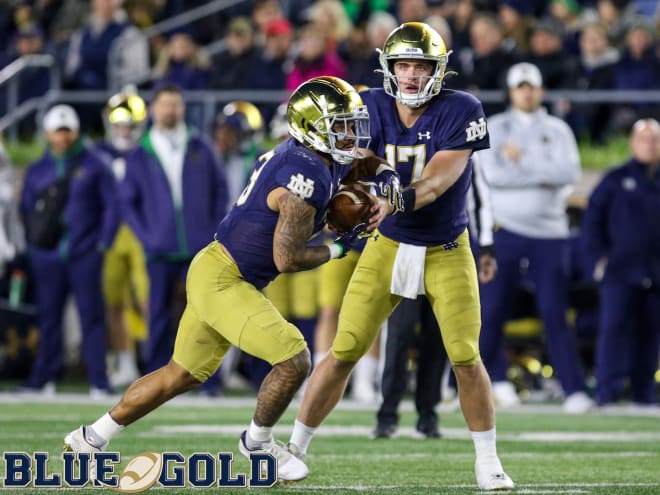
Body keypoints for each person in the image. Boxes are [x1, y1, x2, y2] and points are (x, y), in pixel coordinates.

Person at [63, 76, 396, 483]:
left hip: (216, 268)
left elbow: (363, 158)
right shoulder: (302, 178)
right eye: (340, 125)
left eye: (349, 124)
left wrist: (388, 178)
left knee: (178, 375)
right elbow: (286, 259)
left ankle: (90, 438)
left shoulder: (312, 155)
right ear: (311, 126)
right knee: (294, 357)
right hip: (226, 279)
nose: (349, 134)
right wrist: (342, 248)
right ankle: (258, 445)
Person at [287, 23, 514, 490]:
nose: (410, 75)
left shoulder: (461, 108)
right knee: (345, 348)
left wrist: (393, 198)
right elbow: (351, 154)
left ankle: (488, 461)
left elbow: (435, 181)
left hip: (446, 249)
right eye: (403, 65)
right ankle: (294, 448)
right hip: (386, 244)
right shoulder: (368, 104)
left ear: (438, 69)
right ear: (389, 67)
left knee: (465, 356)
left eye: (420, 66)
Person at [477, 62, 593, 413]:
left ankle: (573, 388)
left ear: (540, 89)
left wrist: (521, 160)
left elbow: (567, 173)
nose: (526, 92)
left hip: (549, 233)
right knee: (491, 310)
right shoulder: (494, 127)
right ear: (511, 92)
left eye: (531, 86)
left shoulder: (558, 129)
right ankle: (488, 382)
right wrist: (540, 173)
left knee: (554, 311)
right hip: (505, 229)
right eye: (519, 87)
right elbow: (492, 175)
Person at [119, 83, 229, 376]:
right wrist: (148, 235)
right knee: (157, 311)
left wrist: (213, 228)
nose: (171, 110)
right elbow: (128, 203)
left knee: (206, 311)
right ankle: (156, 377)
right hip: (159, 245)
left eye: (176, 104)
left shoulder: (200, 145)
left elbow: (221, 190)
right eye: (166, 104)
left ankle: (209, 377)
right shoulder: (140, 152)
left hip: (199, 244)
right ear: (153, 109)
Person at [19, 104, 119, 396]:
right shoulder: (39, 169)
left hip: (85, 252)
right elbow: (27, 210)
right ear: (48, 133)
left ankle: (98, 380)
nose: (63, 137)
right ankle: (43, 378)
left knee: (92, 316)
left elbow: (111, 206)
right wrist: (34, 247)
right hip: (48, 255)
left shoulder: (95, 164)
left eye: (67, 131)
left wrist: (102, 243)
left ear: (75, 132)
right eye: (57, 131)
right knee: (48, 317)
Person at [582, 118, 660, 407]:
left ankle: (644, 394)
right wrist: (598, 258)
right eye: (644, 139)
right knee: (613, 332)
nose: (650, 145)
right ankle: (607, 393)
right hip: (620, 271)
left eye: (655, 139)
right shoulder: (615, 179)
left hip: (655, 271)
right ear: (632, 143)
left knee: (650, 335)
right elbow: (592, 222)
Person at [94, 88, 150, 388]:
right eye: (120, 124)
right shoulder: (100, 154)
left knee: (147, 299)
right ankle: (125, 361)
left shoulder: (148, 153)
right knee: (114, 300)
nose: (124, 131)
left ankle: (157, 361)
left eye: (129, 124)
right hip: (111, 233)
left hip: (142, 231)